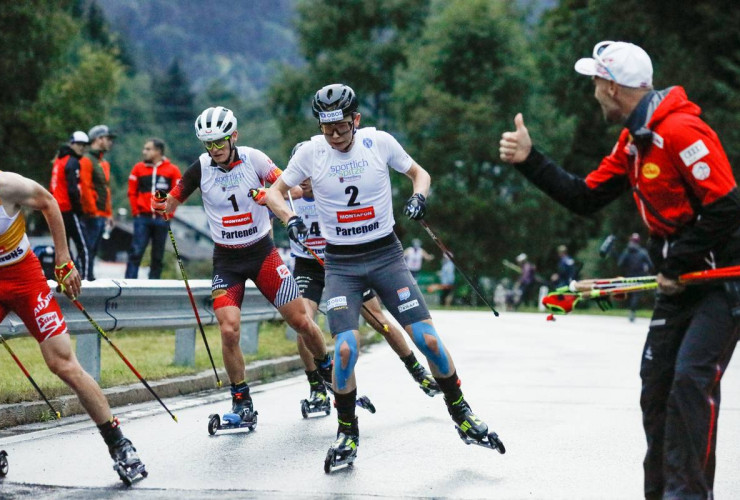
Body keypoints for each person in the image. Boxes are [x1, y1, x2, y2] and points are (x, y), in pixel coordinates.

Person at [499, 41, 740, 499]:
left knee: (690, 382)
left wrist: (675, 261)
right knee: (656, 390)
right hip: (679, 285)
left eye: (595, 83)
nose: (593, 93)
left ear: (611, 87)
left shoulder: (682, 131)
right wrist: (530, 160)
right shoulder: (633, 141)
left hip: (720, 284)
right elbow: (584, 197)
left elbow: (726, 207)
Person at [265, 83, 503, 469]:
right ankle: (347, 433)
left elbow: (419, 173)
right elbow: (275, 193)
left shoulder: (379, 143)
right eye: (328, 129)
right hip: (341, 263)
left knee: (428, 340)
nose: (336, 135)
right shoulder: (311, 152)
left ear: (355, 119)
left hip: (385, 255)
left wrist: (418, 196)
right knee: (345, 349)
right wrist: (289, 218)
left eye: (342, 126)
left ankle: (462, 414)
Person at [153, 106, 334, 426]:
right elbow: (170, 206)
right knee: (228, 328)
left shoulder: (255, 159)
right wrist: (160, 204)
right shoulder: (200, 168)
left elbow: (290, 188)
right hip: (227, 260)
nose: (215, 149)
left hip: (263, 255)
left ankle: (326, 371)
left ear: (233, 136)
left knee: (303, 322)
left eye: (220, 141)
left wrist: (270, 194)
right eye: (208, 144)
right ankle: (241, 401)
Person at [0, 170, 145, 482]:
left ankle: (119, 444)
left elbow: (49, 202)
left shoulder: (7, 185)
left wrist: (64, 262)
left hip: (24, 278)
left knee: (62, 363)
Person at [281, 162, 440, 410]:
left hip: (343, 265)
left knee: (381, 322)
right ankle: (317, 388)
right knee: (304, 323)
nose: (302, 181)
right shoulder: (289, 198)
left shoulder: (332, 194)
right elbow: (265, 200)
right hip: (308, 267)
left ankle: (417, 371)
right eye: (298, 175)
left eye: (308, 175)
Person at [125, 138, 182, 279]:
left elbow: (178, 193)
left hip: (161, 219)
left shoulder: (172, 170)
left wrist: (170, 213)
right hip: (142, 218)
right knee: (136, 252)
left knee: (157, 255)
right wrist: (136, 212)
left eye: (148, 149)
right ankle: (129, 284)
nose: (144, 152)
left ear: (158, 151)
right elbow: (132, 192)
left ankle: (154, 283)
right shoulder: (138, 168)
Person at [49, 131, 91, 280]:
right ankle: (86, 279)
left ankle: (66, 278)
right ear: (71, 144)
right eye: (79, 144)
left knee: (63, 248)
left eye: (84, 145)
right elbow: (72, 188)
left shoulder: (59, 160)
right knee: (84, 246)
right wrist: (78, 209)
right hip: (67, 208)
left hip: (56, 210)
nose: (82, 148)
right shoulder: (72, 161)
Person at [80, 124, 116, 280]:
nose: (110, 142)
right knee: (86, 249)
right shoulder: (87, 160)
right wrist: (92, 211)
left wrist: (109, 213)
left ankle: (88, 277)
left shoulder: (104, 163)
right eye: (107, 139)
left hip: (101, 214)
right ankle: (83, 278)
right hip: (91, 214)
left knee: (93, 249)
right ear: (98, 139)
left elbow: (105, 190)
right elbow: (85, 187)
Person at [618, 233, 654, 322]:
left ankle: (630, 311)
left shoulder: (627, 252)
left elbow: (620, 263)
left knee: (631, 295)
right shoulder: (643, 252)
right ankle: (632, 311)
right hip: (639, 278)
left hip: (628, 277)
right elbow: (650, 265)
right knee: (636, 296)